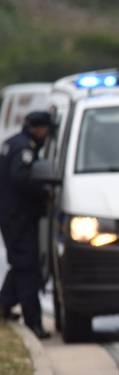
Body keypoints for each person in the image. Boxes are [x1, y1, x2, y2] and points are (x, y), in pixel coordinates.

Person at [0, 110, 52, 339]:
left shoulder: (12, 143)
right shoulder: (24, 149)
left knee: (21, 264)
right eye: (45, 130)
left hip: (11, 216)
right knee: (28, 269)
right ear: (38, 129)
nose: (46, 135)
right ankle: (34, 323)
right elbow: (21, 179)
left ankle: (3, 305)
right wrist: (43, 191)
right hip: (19, 218)